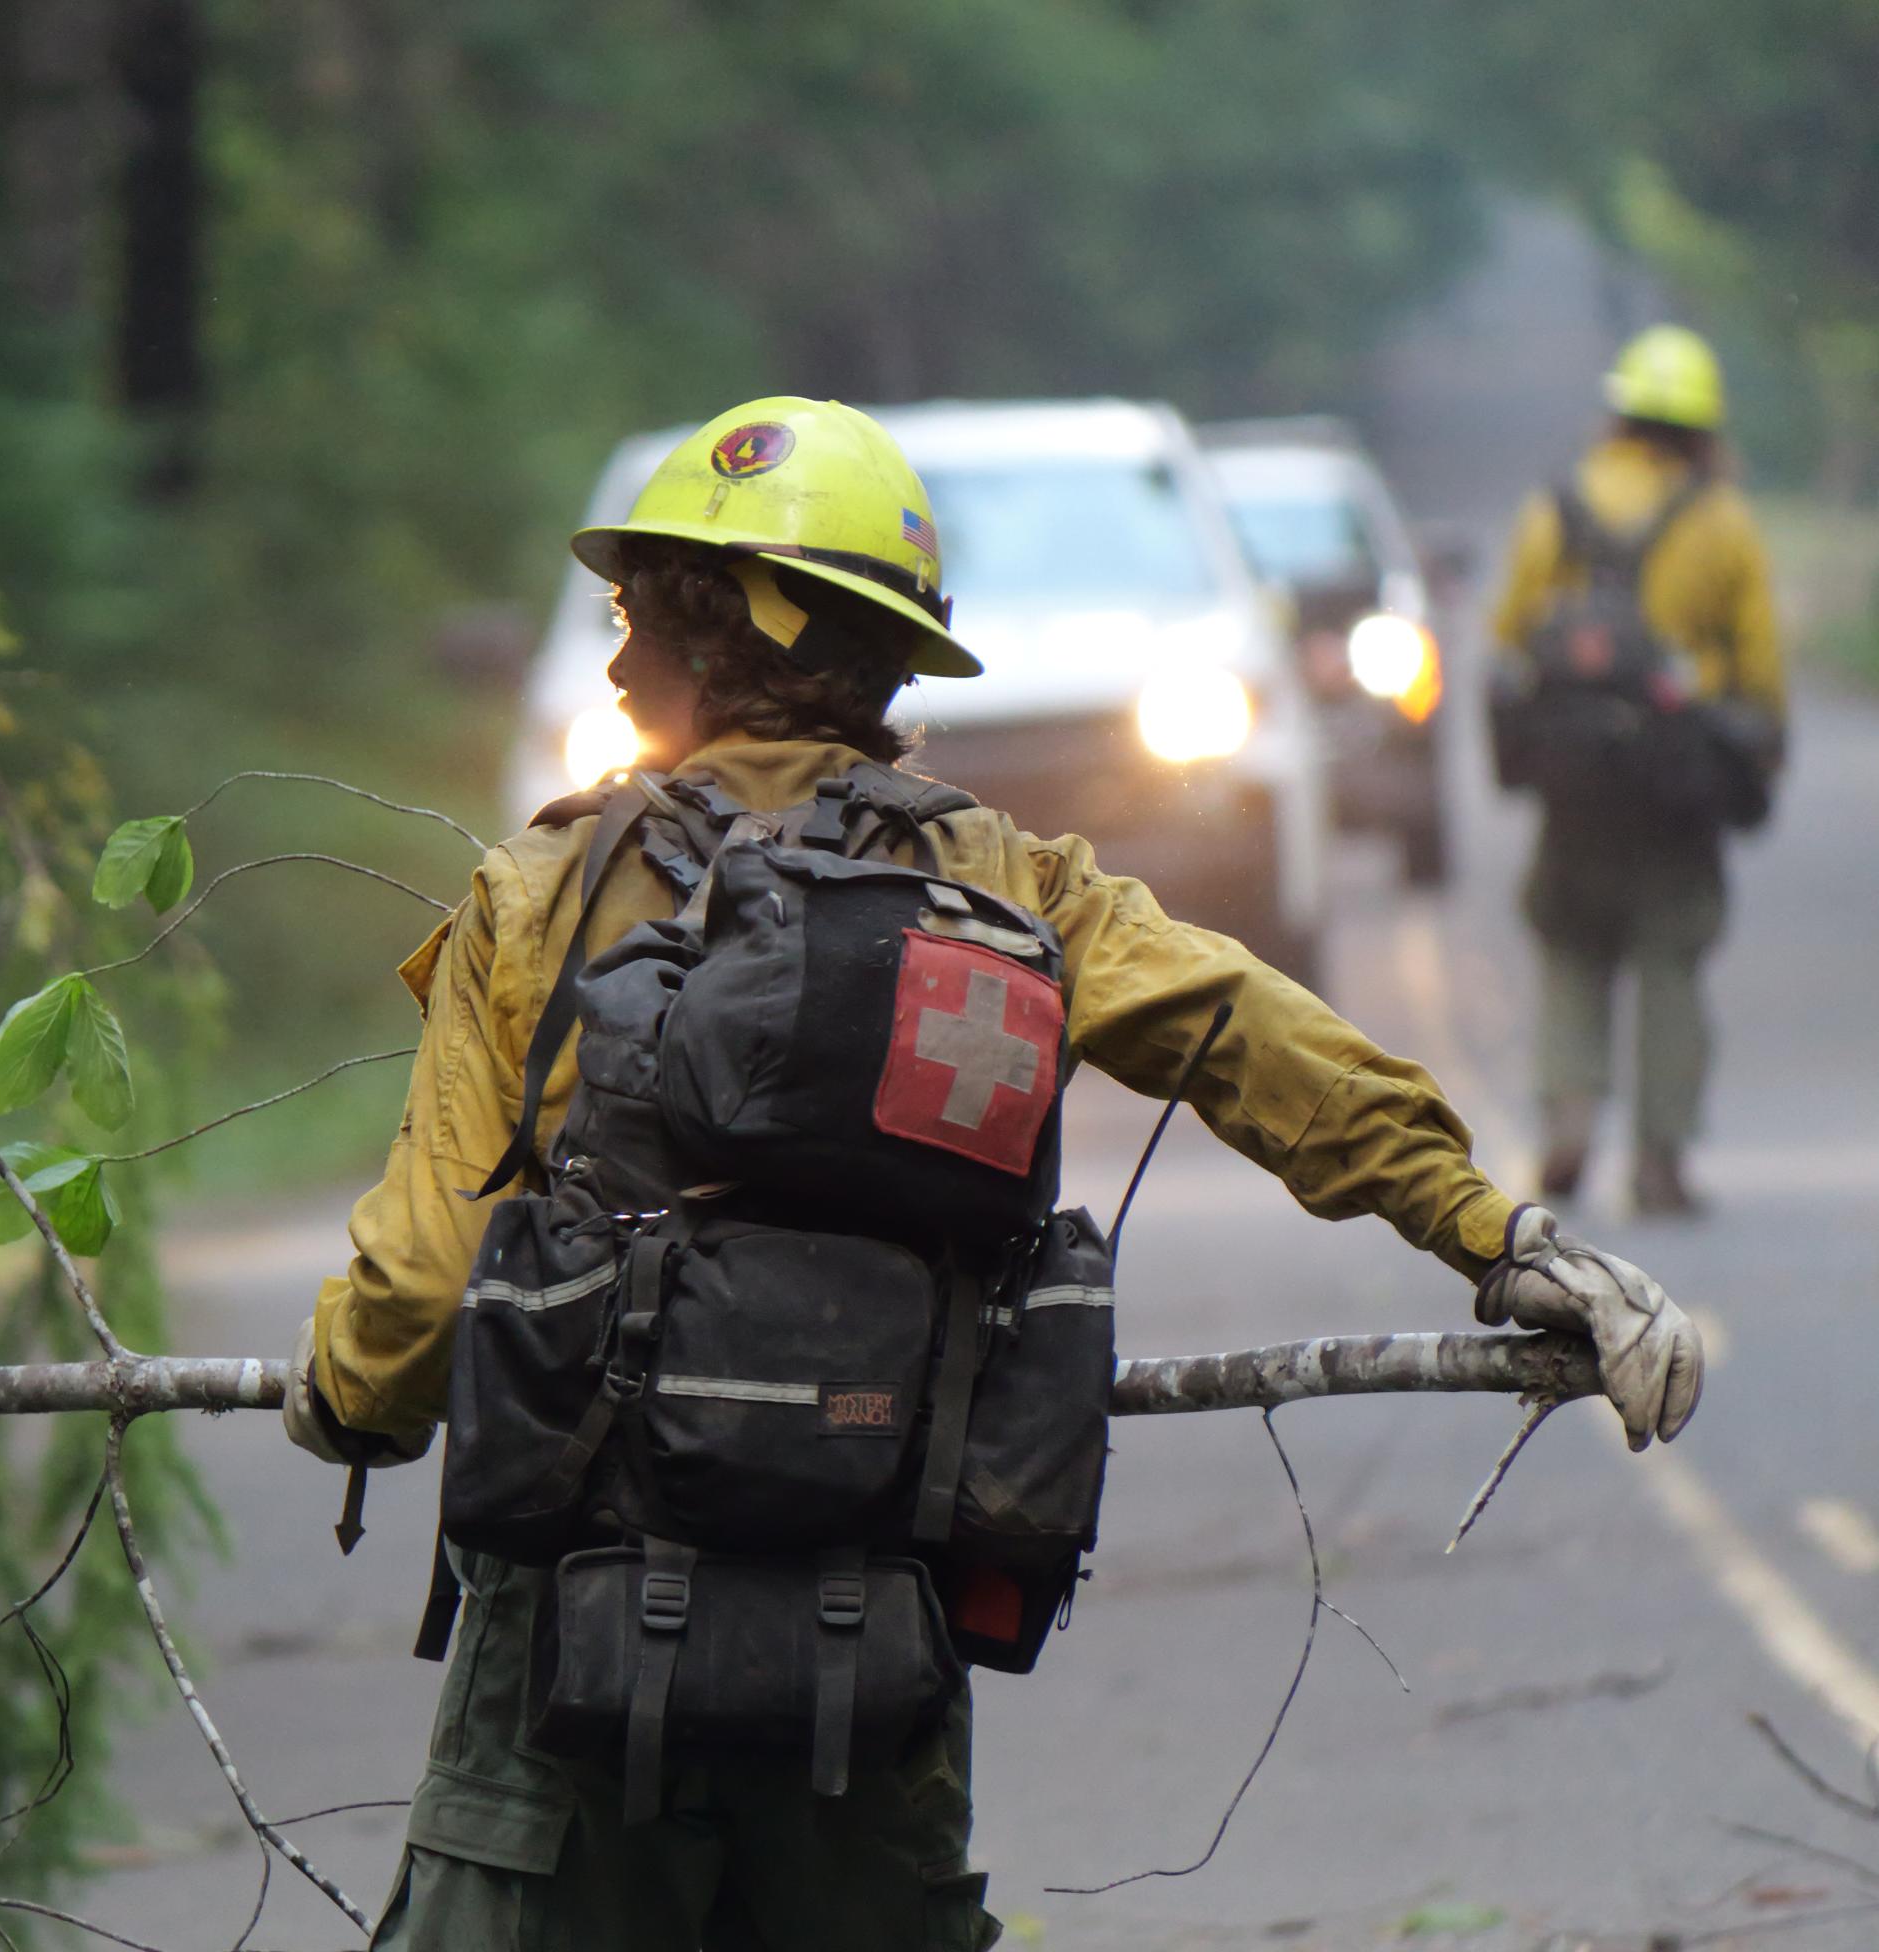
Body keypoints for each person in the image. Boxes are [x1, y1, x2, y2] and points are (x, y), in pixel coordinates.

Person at [280, 396, 1705, 1948]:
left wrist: (341, 1399)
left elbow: (414, 1304)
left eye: (643, 620)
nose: (620, 665)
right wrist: (1497, 1234)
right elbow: (1254, 1042)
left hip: (568, 1663)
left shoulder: (545, 894)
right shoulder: (998, 885)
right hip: (866, 1654)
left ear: (727, 628)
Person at [1488, 325, 1786, 1215]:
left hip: (1575, 792)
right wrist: (1759, 745)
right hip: (1676, 792)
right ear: (1701, 428)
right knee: (1671, 959)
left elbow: (1509, 642)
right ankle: (1660, 1156)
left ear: (1618, 413)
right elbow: (1761, 665)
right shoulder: (1722, 521)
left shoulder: (1556, 507)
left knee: (1571, 948)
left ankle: (1569, 1123)